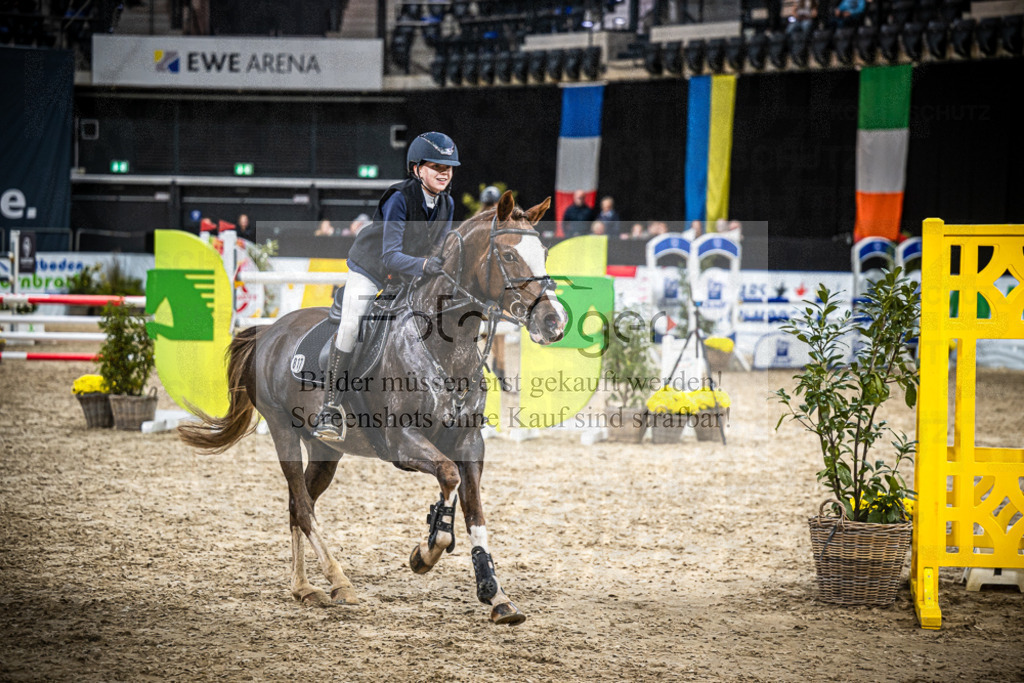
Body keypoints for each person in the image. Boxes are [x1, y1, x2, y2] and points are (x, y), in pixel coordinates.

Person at [313, 131, 459, 441]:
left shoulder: (447, 203)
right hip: (372, 269)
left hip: (408, 275)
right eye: (436, 167)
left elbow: (438, 250)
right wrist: (424, 266)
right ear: (417, 169)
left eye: (448, 168)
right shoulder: (398, 197)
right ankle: (330, 408)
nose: (444, 173)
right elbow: (390, 255)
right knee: (352, 325)